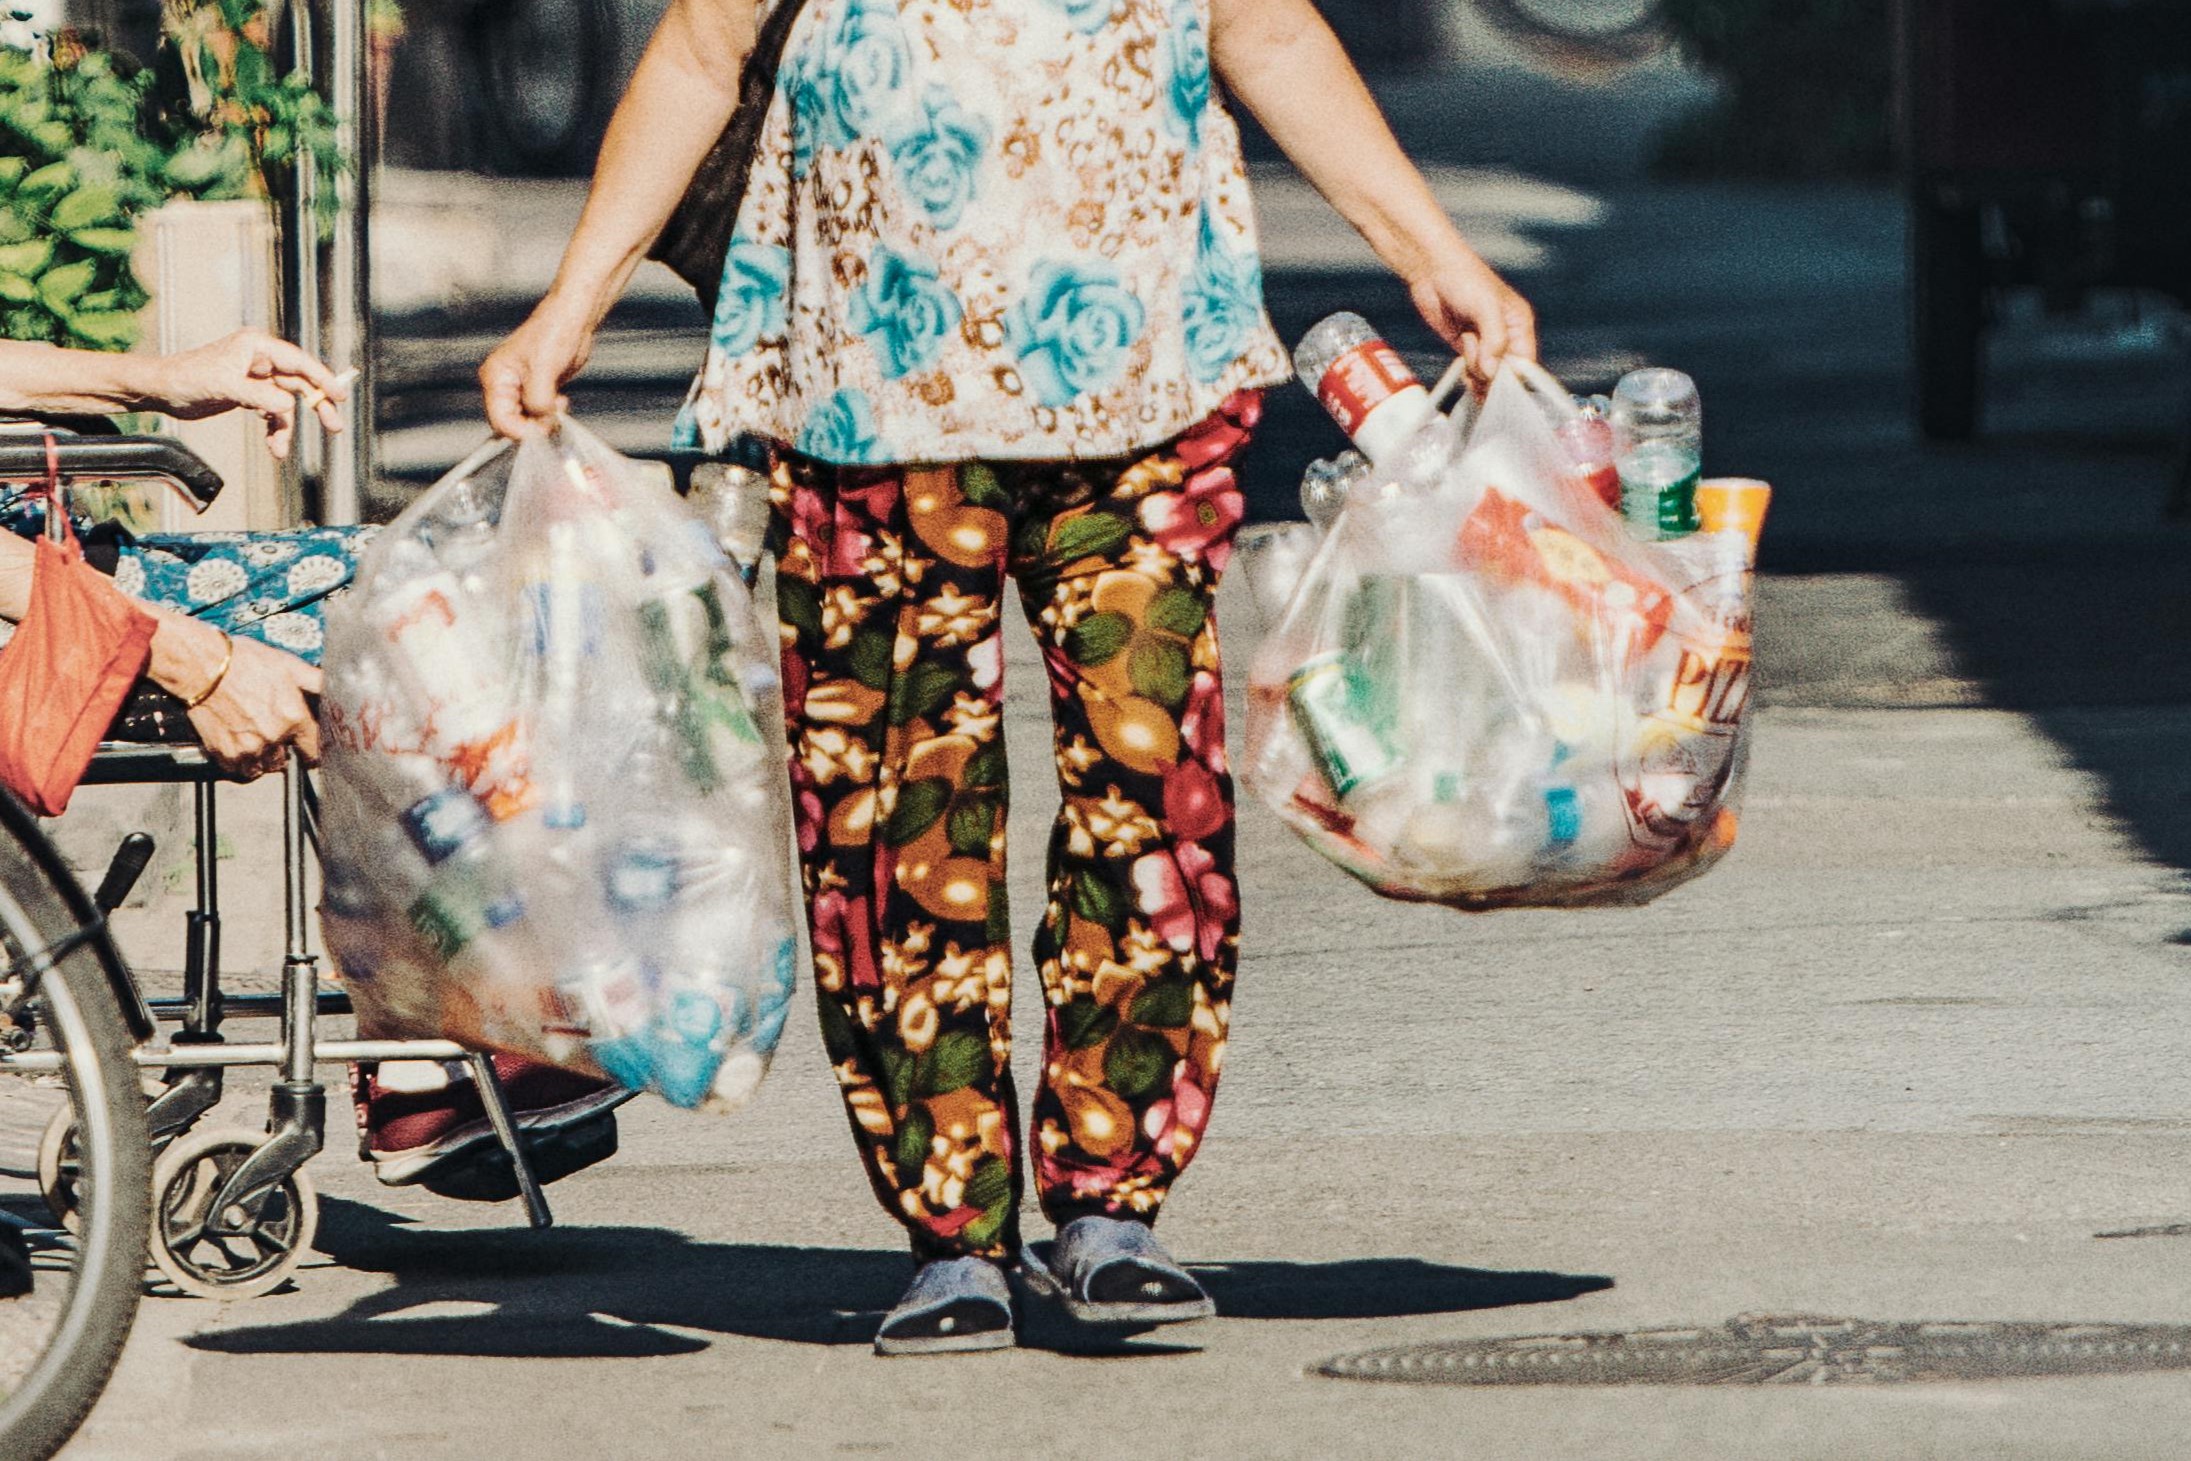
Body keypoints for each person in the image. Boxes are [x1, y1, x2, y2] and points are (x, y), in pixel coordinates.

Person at [483, 0, 1535, 1353]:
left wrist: (1428, 251)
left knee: (1151, 787)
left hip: (1148, 386)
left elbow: (1263, 34)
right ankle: (950, 1232)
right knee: (892, 821)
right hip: (868, 391)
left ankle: (1111, 1200)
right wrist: (569, 301)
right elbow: (700, 51)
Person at [0, 329, 620, 1193]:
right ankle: (429, 1051)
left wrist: (158, 380)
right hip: (39, 600)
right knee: (413, 605)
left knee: (409, 578)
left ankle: (447, 1030)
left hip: (50, 563)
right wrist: (191, 657)